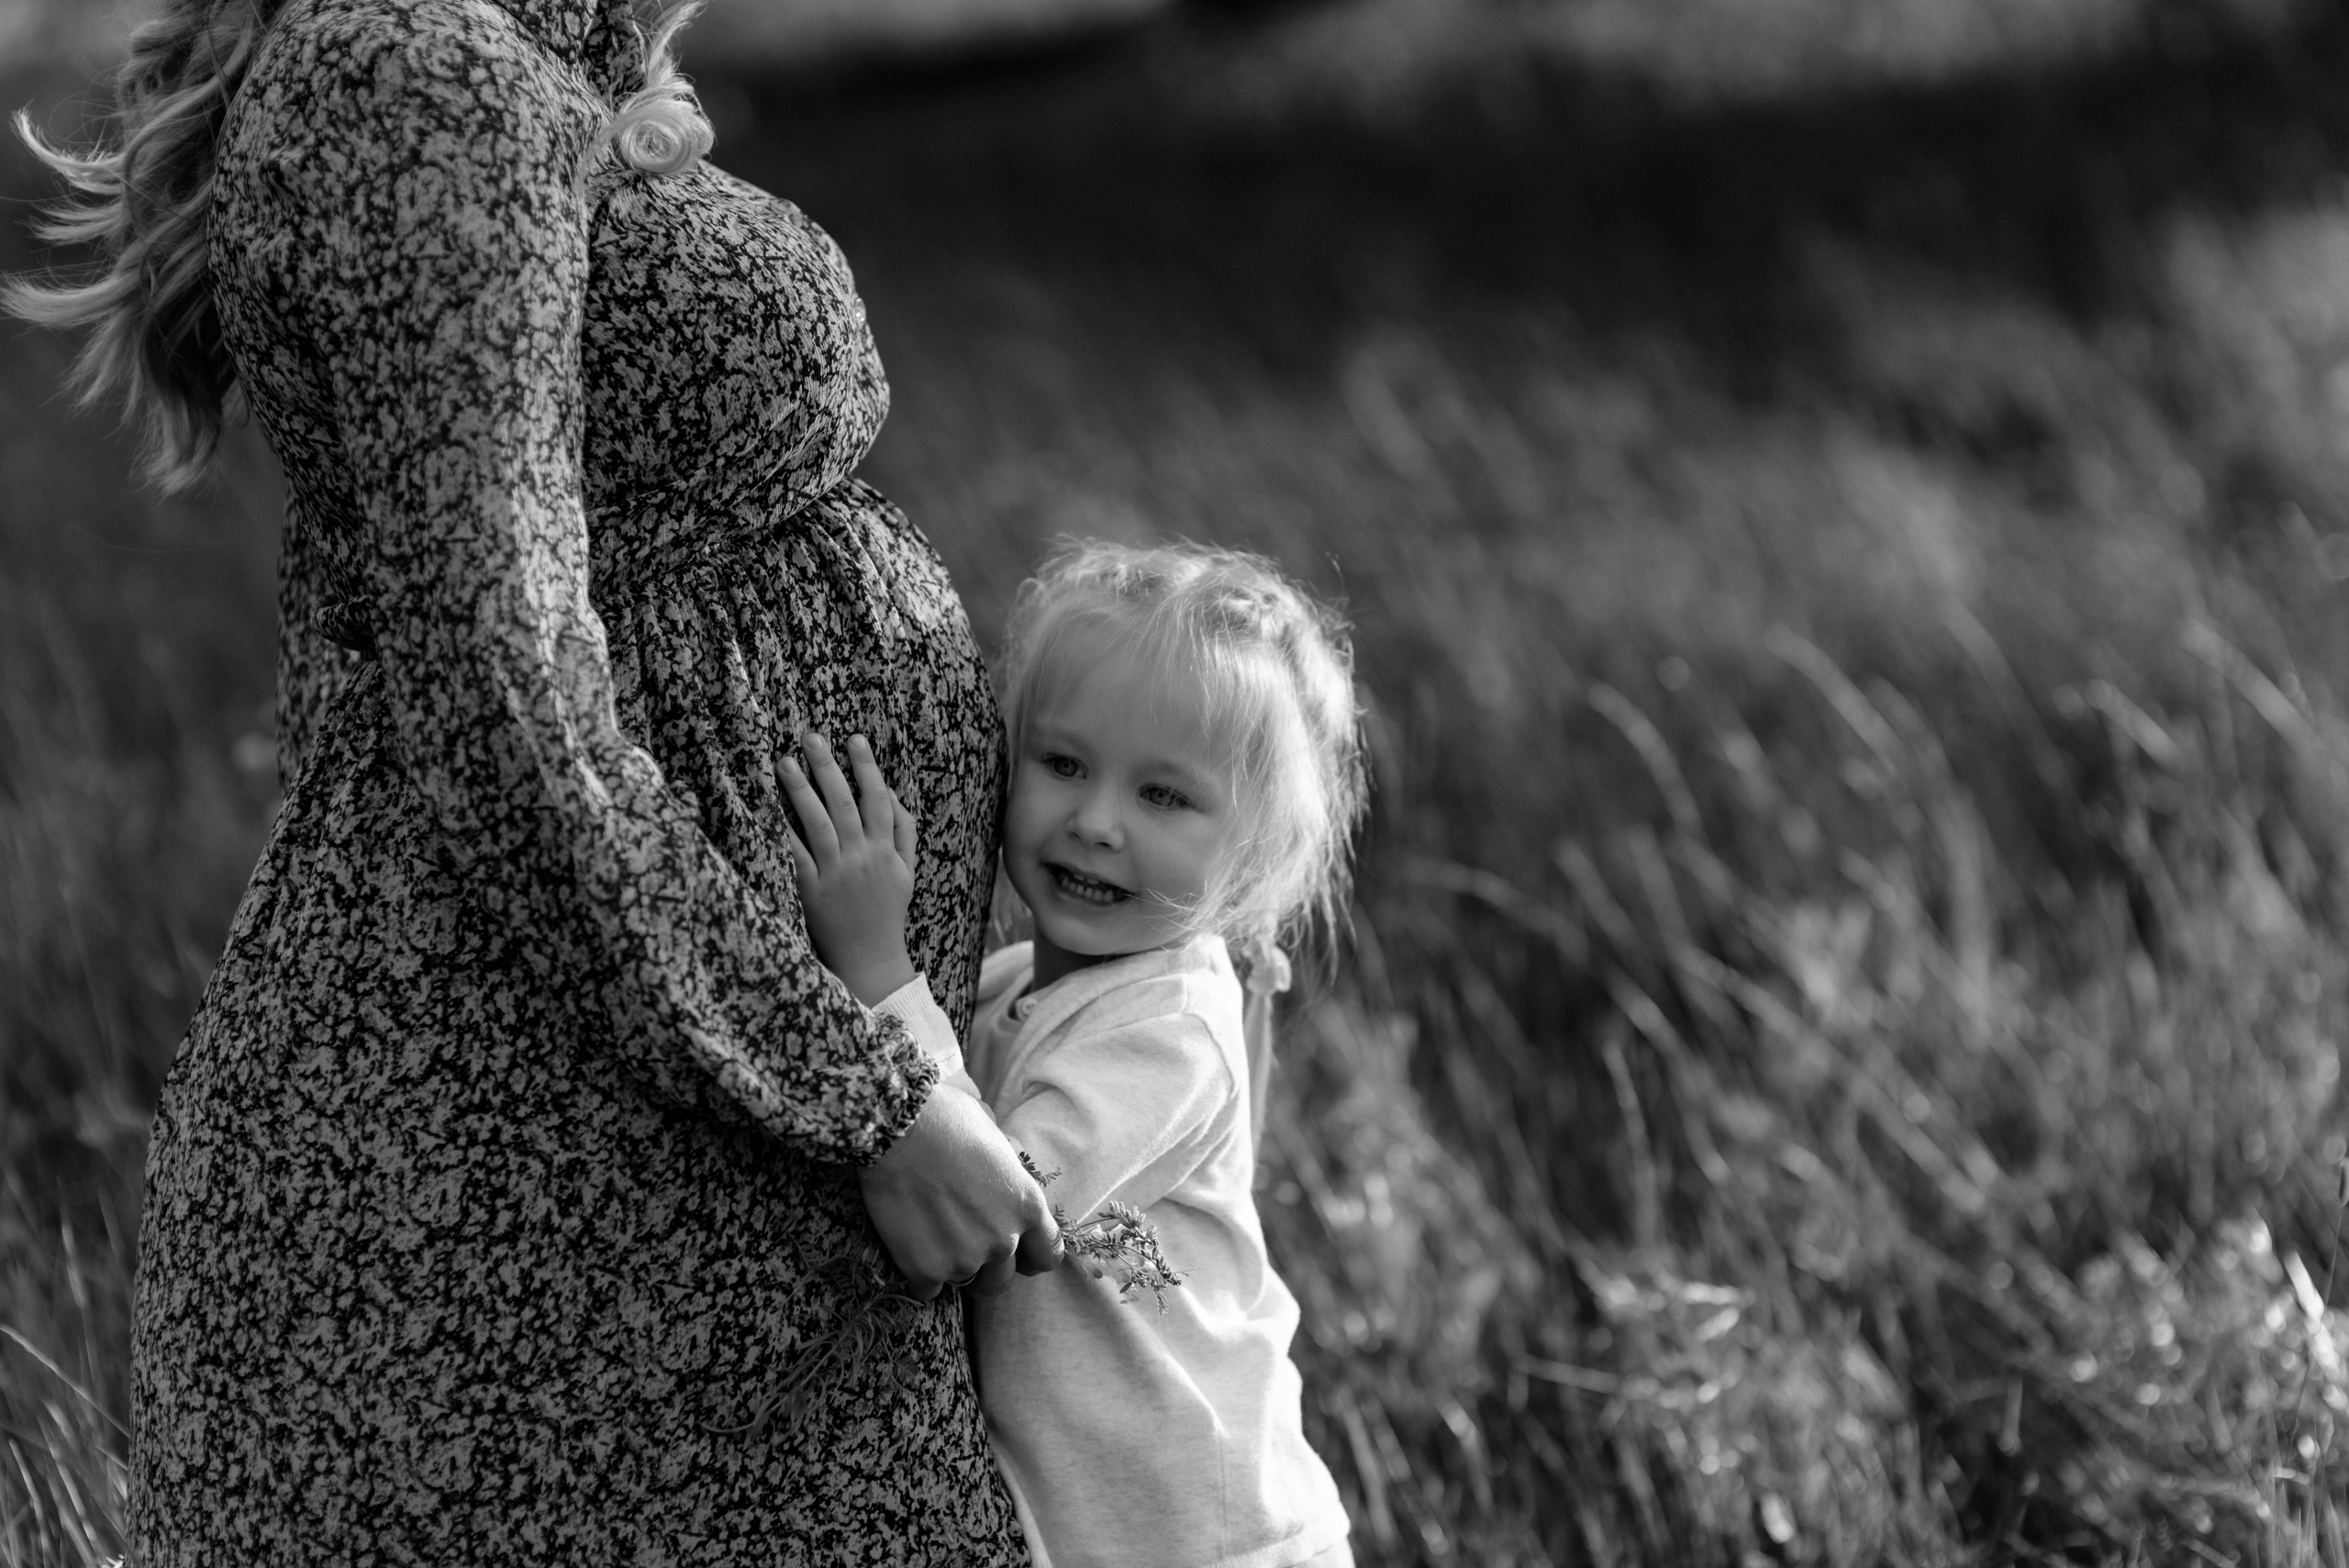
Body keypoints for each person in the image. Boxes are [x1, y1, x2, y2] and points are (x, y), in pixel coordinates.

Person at [7, 0, 1060, 1559]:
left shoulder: (542, 54)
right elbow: (498, 691)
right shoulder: (420, 74)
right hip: (548, 1189)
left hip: (700, 1157)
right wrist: (867, 1097)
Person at [783, 539, 1366, 1568]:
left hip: (1216, 1540)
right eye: (1062, 764)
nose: (1095, 822)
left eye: (1163, 796)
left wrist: (875, 966)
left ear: (1253, 855)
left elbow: (991, 1209)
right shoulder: (1009, 986)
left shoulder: (1173, 1027)